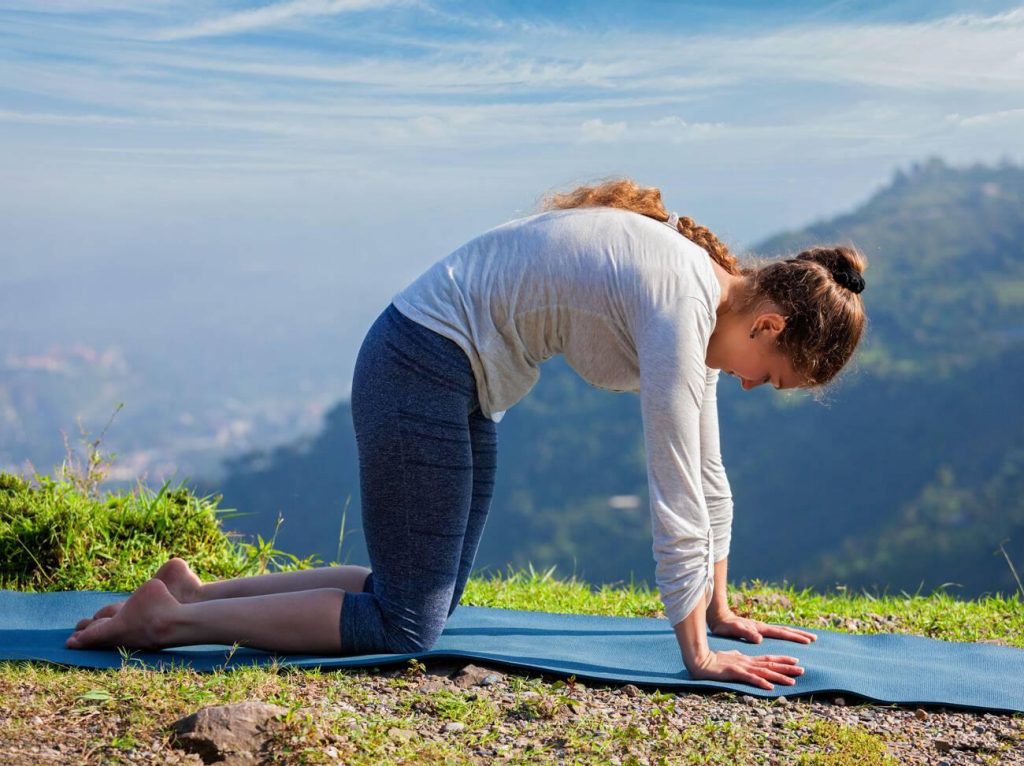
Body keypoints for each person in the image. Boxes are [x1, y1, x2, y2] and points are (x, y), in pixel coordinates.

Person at [66, 179, 867, 692]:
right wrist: (696, 652)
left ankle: (192, 591)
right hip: (421, 366)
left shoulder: (697, 297)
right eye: (774, 374)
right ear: (768, 323)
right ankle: (164, 625)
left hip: (448, 377)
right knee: (404, 624)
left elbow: (707, 467)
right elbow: (675, 486)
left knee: (422, 598)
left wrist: (721, 610)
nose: (754, 386)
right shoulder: (682, 303)